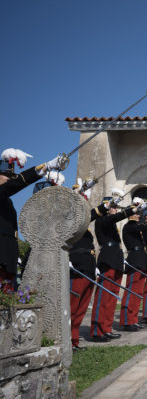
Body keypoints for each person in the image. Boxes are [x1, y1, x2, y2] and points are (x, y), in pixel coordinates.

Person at [0, 149, 65, 292]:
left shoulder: (7, 202)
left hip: (8, 258)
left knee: (6, 303)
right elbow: (13, 186)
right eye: (6, 175)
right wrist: (44, 167)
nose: (9, 179)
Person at [90, 191, 138, 342]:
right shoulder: (101, 221)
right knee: (102, 297)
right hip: (107, 260)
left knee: (111, 298)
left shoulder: (112, 223)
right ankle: (97, 330)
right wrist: (130, 210)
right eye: (113, 207)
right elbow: (116, 218)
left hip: (116, 259)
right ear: (107, 208)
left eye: (116, 207)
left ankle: (107, 328)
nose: (115, 209)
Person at [69, 182, 107, 350]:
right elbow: (89, 215)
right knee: (72, 308)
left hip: (88, 268)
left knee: (81, 309)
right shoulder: (70, 219)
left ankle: (74, 341)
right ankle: (67, 342)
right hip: (76, 268)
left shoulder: (84, 225)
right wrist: (106, 206)